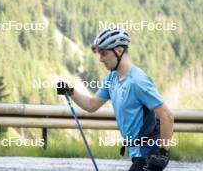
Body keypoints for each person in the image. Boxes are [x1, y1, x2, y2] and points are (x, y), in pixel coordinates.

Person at [56, 28, 174, 171]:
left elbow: (167, 115)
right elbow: (91, 105)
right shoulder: (112, 79)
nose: (100, 59)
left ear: (118, 51)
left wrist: (163, 153)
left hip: (149, 155)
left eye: (104, 53)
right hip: (137, 154)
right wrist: (70, 91)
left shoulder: (137, 81)